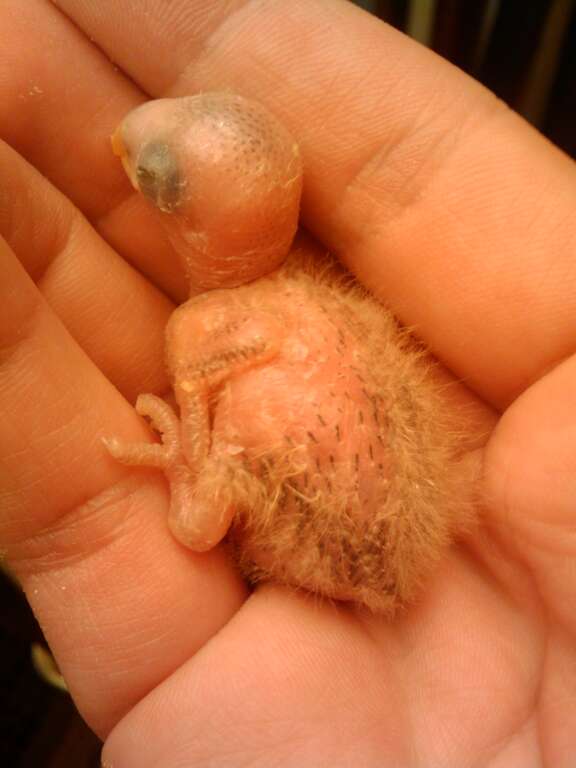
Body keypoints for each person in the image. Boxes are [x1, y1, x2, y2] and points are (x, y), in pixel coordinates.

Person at [0, 1, 574, 765]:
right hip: (407, 541)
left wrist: (189, 465)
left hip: (356, 546)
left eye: (151, 172)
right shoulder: (319, 298)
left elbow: (198, 526)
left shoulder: (200, 331)